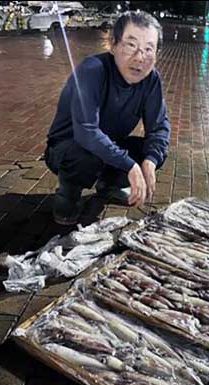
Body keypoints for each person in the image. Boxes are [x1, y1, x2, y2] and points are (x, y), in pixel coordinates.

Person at [44, 11, 171, 225]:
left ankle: (108, 185)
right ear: (113, 45)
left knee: (153, 152)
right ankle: (68, 194)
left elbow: (159, 127)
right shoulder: (92, 70)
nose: (140, 57)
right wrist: (130, 165)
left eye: (149, 49)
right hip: (68, 146)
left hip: (108, 144)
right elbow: (86, 131)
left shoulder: (151, 80)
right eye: (131, 45)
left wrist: (149, 161)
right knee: (87, 155)